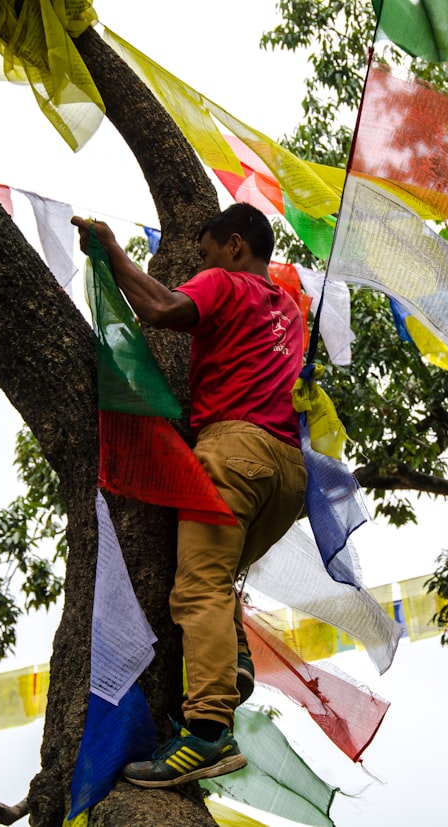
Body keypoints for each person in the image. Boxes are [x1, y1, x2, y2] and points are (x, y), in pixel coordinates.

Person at [72, 204, 307, 788]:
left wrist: (112, 252)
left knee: (198, 586)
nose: (199, 267)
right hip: (288, 475)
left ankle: (206, 732)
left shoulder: (225, 282)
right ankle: (234, 660)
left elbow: (158, 308)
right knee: (219, 575)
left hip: (234, 452)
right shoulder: (290, 309)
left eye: (203, 255)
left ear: (232, 246)